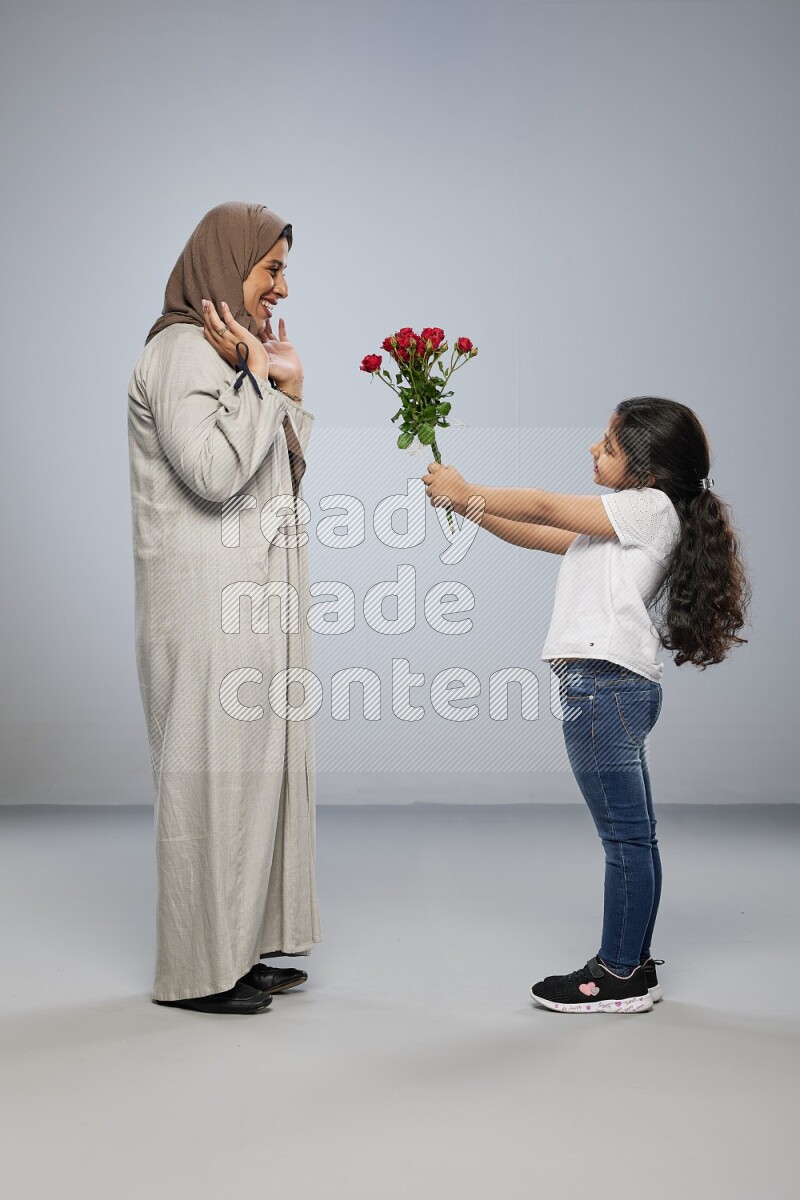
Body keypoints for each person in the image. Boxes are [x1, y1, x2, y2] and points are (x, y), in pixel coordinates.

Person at [422, 397, 751, 1014]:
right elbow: (543, 533)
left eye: (609, 444)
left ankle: (619, 973)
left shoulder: (647, 508)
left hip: (603, 687)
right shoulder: (625, 519)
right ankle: (631, 965)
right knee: (635, 837)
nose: (595, 450)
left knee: (625, 839)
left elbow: (545, 503)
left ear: (647, 472)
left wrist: (469, 485)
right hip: (612, 687)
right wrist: (466, 506)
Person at [127, 200, 321, 1014]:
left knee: (259, 773)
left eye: (283, 271)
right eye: (270, 268)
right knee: (210, 778)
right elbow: (211, 473)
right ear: (225, 262)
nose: (280, 286)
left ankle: (239, 946)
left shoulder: (232, 356)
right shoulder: (180, 354)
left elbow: (279, 476)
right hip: (204, 604)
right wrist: (256, 377)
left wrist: (287, 381)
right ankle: (198, 971)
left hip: (250, 597)